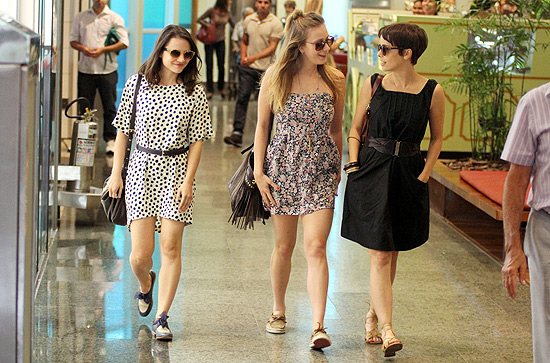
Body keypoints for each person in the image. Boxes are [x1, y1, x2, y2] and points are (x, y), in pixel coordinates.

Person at [341, 22, 445, 357]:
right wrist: (355, 163)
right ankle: (387, 329)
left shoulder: (432, 90)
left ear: (407, 53)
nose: (378, 54)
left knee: (393, 248)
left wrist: (425, 175)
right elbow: (355, 128)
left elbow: (438, 137)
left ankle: (373, 314)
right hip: (371, 170)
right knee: (380, 253)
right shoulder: (373, 84)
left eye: (385, 48)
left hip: (408, 173)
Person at [106, 25, 213, 340]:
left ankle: (162, 317)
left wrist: (189, 181)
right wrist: (116, 173)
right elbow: (123, 130)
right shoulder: (137, 84)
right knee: (140, 256)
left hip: (177, 170)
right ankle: (145, 284)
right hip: (141, 169)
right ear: (162, 51)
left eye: (187, 54)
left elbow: (197, 141)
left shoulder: (194, 91)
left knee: (170, 246)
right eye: (175, 52)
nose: (180, 59)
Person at [253, 10, 345, 349]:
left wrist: (338, 171)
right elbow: (262, 127)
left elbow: (336, 129)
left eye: (328, 41)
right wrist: (259, 172)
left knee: (317, 246)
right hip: (283, 168)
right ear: (299, 46)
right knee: (284, 246)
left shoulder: (335, 79)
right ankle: (278, 309)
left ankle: (318, 325)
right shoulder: (275, 76)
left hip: (321, 169)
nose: (326, 48)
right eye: (319, 43)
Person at [501, 82, 550, 363]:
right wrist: (513, 249)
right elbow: (516, 180)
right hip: (546, 229)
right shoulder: (535, 103)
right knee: (548, 324)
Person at [70, 0, 129, 156]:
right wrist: (83, 48)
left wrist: (103, 50)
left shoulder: (115, 18)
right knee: (85, 107)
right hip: (86, 69)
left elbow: (124, 42)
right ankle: (87, 140)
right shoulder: (81, 17)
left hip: (107, 70)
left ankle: (110, 140)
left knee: (109, 106)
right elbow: (73, 40)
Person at [223, 0, 283, 147]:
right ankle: (237, 133)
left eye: (266, 3)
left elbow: (272, 47)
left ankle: (265, 137)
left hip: (266, 70)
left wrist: (253, 58)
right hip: (248, 68)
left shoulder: (275, 23)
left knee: (266, 104)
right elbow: (245, 40)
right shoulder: (248, 20)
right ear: (256, 3)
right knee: (242, 97)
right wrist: (244, 56)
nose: (262, 5)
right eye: (260, 2)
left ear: (269, 5)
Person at [197, 0, 235, 99]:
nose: (230, 2)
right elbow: (199, 19)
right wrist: (208, 25)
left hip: (221, 41)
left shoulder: (227, 13)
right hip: (209, 41)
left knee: (221, 65)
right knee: (209, 65)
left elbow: (233, 25)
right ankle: (210, 90)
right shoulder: (212, 11)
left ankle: (221, 88)